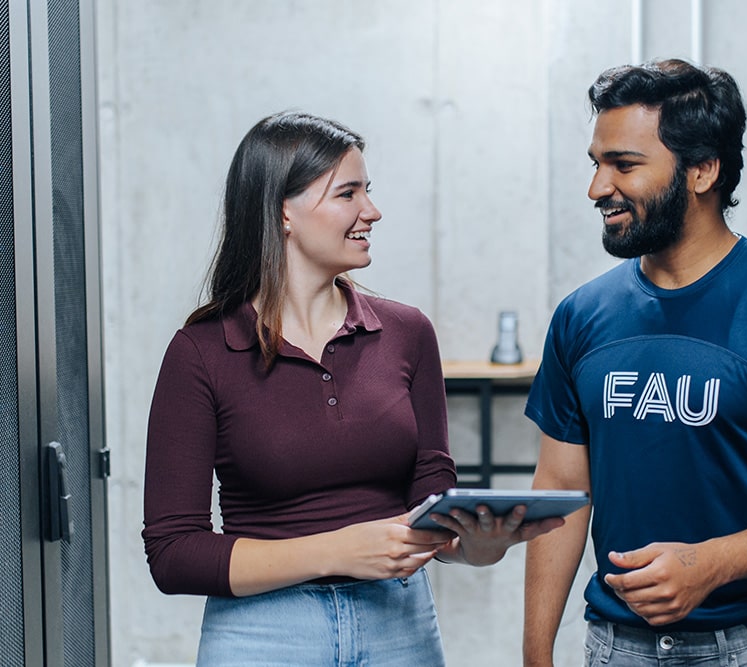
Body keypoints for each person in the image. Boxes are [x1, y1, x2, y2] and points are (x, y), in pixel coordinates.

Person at [142, 111, 561, 667]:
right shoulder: (201, 352)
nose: (372, 211)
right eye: (349, 193)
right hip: (261, 634)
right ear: (283, 212)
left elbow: (430, 496)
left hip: (400, 626)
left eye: (369, 191)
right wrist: (338, 550)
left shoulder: (408, 333)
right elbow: (174, 554)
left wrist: (473, 548)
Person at [522, 59, 747, 666]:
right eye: (596, 164)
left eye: (624, 165)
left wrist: (711, 563)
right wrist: (537, 654)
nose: (597, 188)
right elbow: (563, 490)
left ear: (702, 170)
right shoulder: (581, 316)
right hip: (617, 646)